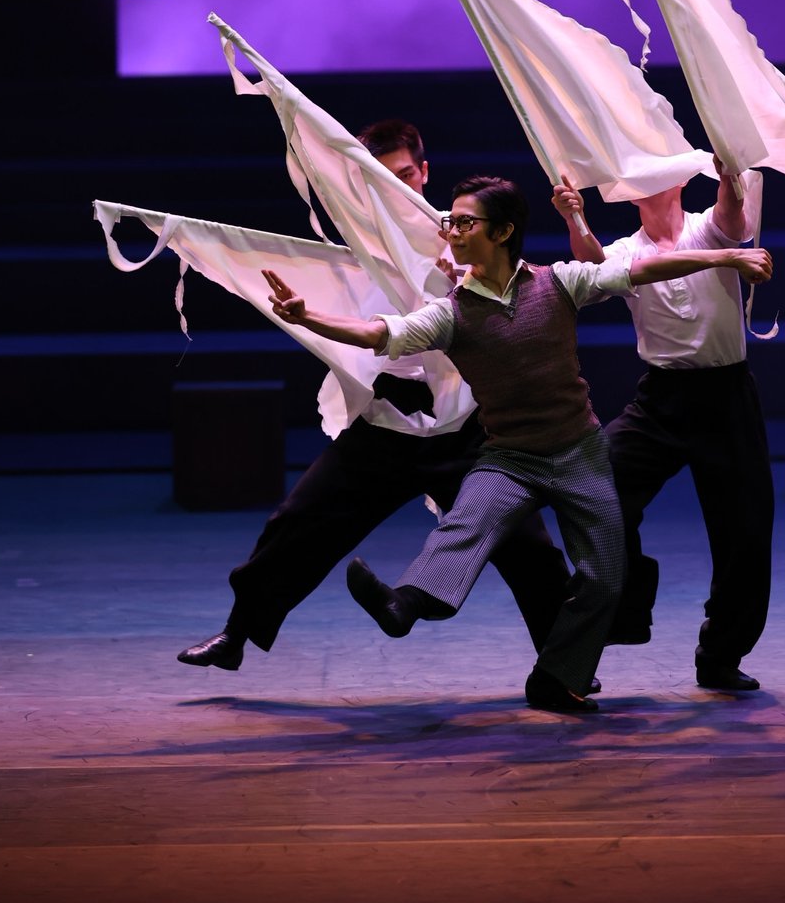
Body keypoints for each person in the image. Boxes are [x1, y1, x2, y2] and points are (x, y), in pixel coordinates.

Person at [265, 173, 773, 715]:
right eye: (449, 222)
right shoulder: (450, 313)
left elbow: (643, 269)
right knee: (467, 522)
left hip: (578, 453)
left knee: (605, 574)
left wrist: (724, 260)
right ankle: (406, 602)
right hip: (509, 459)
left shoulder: (558, 283)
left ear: (503, 231)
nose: (453, 232)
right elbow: (377, 333)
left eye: (464, 222)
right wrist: (308, 316)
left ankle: (558, 679)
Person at [177, 120, 571, 674]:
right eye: (381, 179)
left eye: (405, 175)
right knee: (297, 524)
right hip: (385, 424)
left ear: (424, 172)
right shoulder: (360, 250)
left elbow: (513, 293)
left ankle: (564, 661)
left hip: (463, 428)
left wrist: (459, 272)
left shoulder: (465, 235)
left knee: (524, 542)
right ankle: (238, 633)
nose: (395, 187)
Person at [553, 160, 775, 693]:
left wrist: (726, 175)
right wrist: (574, 216)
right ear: (631, 197)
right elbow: (592, 269)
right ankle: (627, 606)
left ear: (678, 182)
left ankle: (721, 652)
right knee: (596, 492)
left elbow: (731, 214)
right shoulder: (628, 250)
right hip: (661, 399)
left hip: (726, 397)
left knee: (745, 530)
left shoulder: (707, 228)